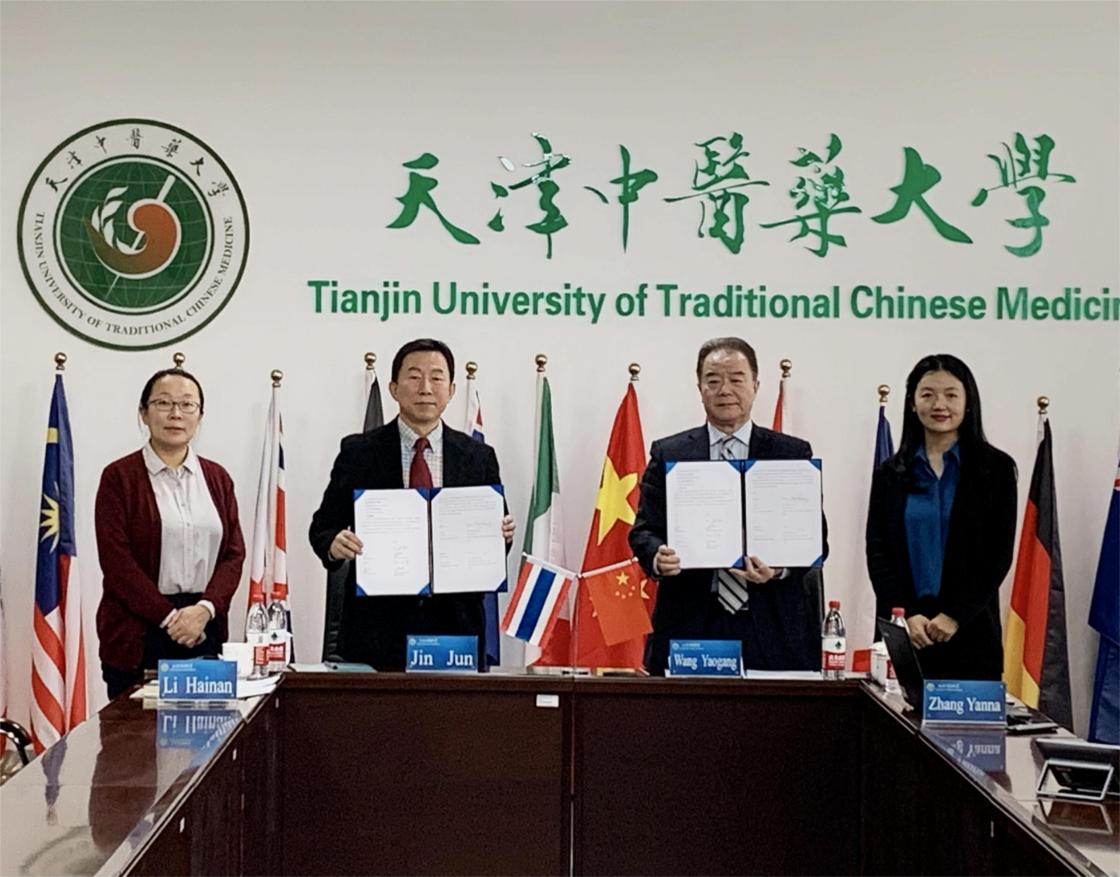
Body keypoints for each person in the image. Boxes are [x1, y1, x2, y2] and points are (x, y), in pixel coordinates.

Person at [309, 338, 514, 670]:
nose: (426, 388)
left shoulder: (477, 456)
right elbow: (322, 527)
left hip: (456, 629)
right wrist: (334, 544)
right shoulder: (359, 452)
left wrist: (501, 535)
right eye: (414, 377)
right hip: (376, 630)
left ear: (451, 390)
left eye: (436, 378)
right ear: (394, 388)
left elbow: (493, 541)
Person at [630, 337, 827, 675]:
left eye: (736, 379)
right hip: (691, 621)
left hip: (771, 625)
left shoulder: (791, 453)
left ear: (755, 385)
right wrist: (658, 557)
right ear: (700, 388)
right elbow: (644, 530)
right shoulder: (670, 453)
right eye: (713, 380)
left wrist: (778, 568)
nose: (725, 390)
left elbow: (816, 539)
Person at [95, 368, 245, 699]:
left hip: (204, 627)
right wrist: (170, 618)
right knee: (135, 731)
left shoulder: (217, 478)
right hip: (139, 631)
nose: (176, 413)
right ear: (143, 413)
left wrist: (204, 610)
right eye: (164, 403)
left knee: (206, 728)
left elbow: (234, 554)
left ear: (200, 416)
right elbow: (117, 562)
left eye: (187, 404)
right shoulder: (118, 477)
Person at [866, 354, 1017, 681]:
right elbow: (878, 553)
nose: (939, 405)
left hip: (971, 632)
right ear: (912, 403)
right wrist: (906, 615)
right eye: (928, 394)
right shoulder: (890, 474)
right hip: (907, 634)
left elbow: (998, 555)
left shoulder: (996, 470)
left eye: (951, 395)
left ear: (968, 402)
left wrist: (955, 616)